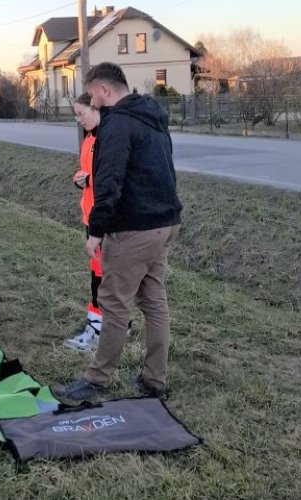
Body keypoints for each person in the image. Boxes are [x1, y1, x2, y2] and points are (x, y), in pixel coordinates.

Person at [53, 62, 182, 401]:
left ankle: (97, 379)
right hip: (165, 223)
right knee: (154, 301)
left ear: (105, 90)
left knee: (113, 302)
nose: (92, 104)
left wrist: (96, 231)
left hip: (134, 228)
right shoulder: (152, 116)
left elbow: (109, 182)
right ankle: (154, 379)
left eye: (93, 97)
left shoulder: (117, 124)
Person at [63, 93, 131, 351]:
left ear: (96, 108)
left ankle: (102, 328)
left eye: (81, 113)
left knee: (103, 277)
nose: (78, 120)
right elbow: (89, 173)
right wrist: (79, 179)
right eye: (75, 115)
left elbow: (114, 178)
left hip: (105, 220)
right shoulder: (89, 139)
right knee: (98, 274)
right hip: (90, 215)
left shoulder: (109, 139)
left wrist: (91, 181)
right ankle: (111, 325)